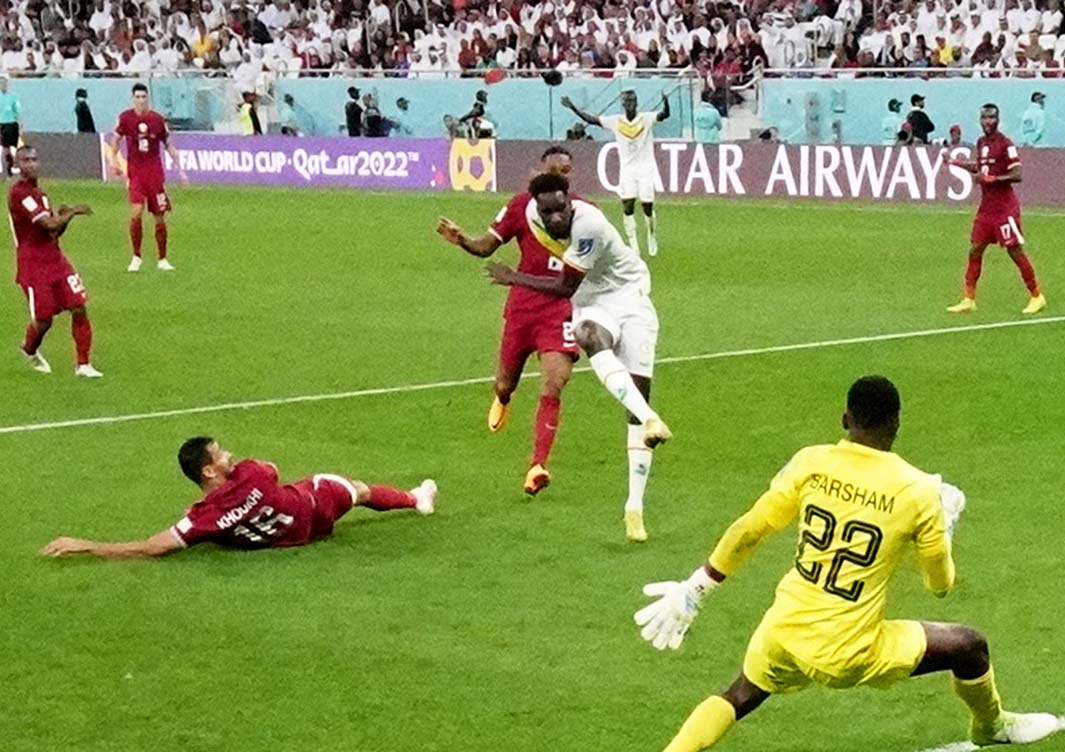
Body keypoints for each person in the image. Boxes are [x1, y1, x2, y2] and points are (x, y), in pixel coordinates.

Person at [590, 375, 1059, 752]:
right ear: (896, 424)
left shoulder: (811, 462)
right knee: (969, 646)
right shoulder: (919, 491)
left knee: (738, 695)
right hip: (848, 649)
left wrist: (696, 590)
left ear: (844, 419)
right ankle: (989, 725)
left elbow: (751, 529)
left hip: (785, 627)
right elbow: (940, 585)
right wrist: (946, 525)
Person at [487, 173, 671, 542]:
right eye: (547, 211)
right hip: (591, 304)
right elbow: (574, 293)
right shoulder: (534, 217)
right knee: (587, 335)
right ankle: (652, 419)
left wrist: (514, 277)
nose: (555, 219)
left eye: (560, 209)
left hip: (630, 298)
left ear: (570, 201)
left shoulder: (589, 224)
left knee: (634, 409)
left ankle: (633, 508)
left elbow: (563, 287)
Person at [436, 147, 579, 496]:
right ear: (542, 173)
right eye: (555, 170)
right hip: (521, 310)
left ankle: (537, 465)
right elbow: (487, 246)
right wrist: (462, 240)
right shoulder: (520, 207)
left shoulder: (583, 212)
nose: (561, 175)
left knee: (554, 381)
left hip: (558, 308)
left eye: (566, 170)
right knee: (505, 383)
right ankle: (502, 398)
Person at [40, 437, 438, 559]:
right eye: (220, 453)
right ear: (209, 471)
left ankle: (415, 499)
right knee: (358, 489)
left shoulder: (203, 517)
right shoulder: (251, 473)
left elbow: (152, 546)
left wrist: (87, 545)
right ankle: (414, 499)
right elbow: (272, 466)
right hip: (314, 507)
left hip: (284, 538)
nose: (228, 454)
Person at [9, 146, 102, 378]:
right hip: (33, 264)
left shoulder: (41, 195)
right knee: (44, 320)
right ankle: (29, 349)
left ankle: (83, 364)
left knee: (79, 306)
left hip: (55, 259)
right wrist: (70, 213)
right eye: (26, 160)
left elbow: (53, 232)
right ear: (18, 165)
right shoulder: (19, 193)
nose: (31, 164)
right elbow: (48, 224)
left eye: (34, 159)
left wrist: (64, 218)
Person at [945, 104, 1046, 316]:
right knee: (975, 249)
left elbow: (1017, 174)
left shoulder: (1005, 144)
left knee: (1014, 251)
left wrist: (993, 179)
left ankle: (1037, 296)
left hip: (1004, 208)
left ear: (997, 120)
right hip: (987, 209)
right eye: (984, 117)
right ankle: (968, 299)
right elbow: (981, 167)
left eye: (991, 117)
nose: (987, 121)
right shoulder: (981, 143)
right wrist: (955, 162)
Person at [561, 90, 670, 257]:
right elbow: (592, 119)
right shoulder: (616, 121)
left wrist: (666, 103)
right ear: (623, 104)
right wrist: (573, 108)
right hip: (627, 169)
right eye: (627, 101)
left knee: (647, 206)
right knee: (628, 207)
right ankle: (634, 246)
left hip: (645, 168)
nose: (630, 104)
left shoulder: (646, 119)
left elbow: (664, 115)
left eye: (633, 101)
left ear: (637, 103)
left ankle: (651, 233)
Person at [107, 83, 186, 274]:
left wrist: (180, 169)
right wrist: (113, 163)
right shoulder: (126, 118)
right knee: (136, 212)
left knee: (159, 216)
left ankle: (162, 258)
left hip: (155, 174)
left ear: (148, 98)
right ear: (133, 98)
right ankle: (136, 257)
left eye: (144, 97)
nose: (141, 100)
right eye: (138, 97)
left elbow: (168, 145)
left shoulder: (157, 120)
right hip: (136, 173)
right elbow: (115, 140)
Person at [0, 76, 21, 175]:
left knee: (13, 148)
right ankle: (6, 170)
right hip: (2, 125)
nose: (3, 85)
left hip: (12, 125)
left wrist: (20, 124)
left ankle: (11, 167)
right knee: (5, 148)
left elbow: (17, 112)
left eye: (4, 83)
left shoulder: (13, 97)